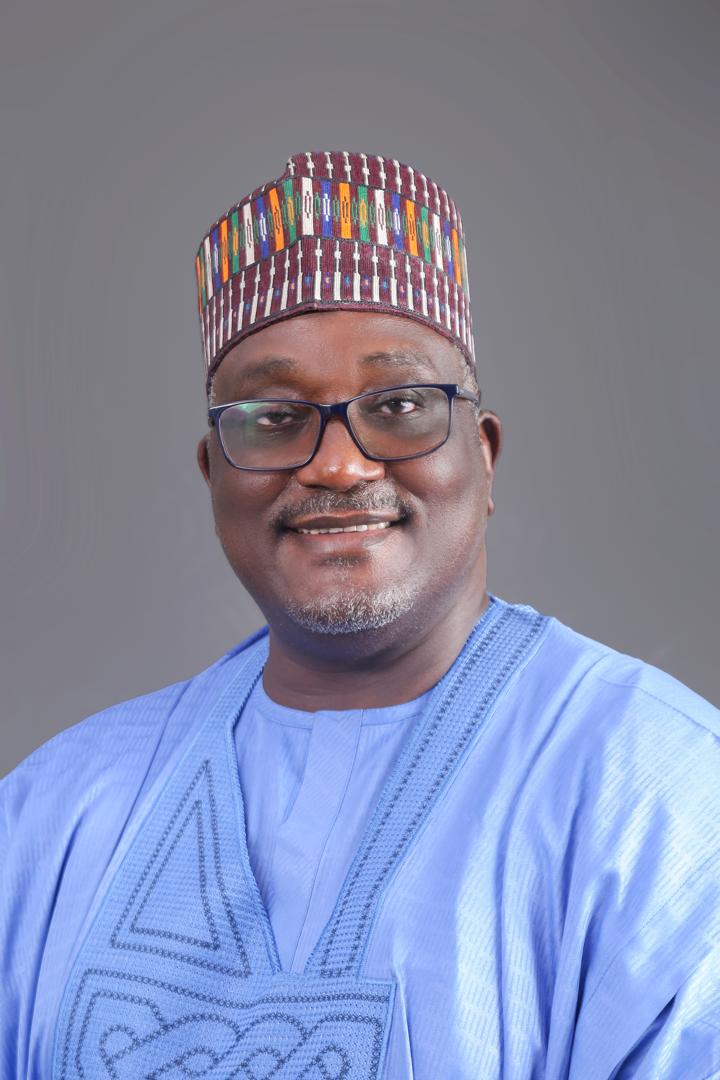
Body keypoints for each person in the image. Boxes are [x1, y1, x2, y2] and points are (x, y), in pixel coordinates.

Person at [2, 151, 720, 1080]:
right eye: (273, 418)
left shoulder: (659, 799)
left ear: (484, 456)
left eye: (402, 405)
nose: (337, 465)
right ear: (213, 473)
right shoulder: (54, 813)